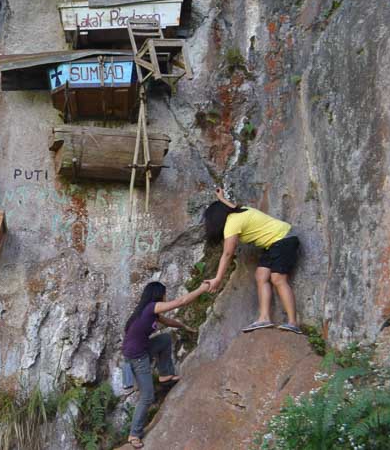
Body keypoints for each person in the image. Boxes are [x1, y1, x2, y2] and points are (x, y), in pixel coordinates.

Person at [202, 188, 302, 334]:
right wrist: (221, 198)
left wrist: (218, 279)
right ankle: (264, 318)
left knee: (278, 279)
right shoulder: (240, 211)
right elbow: (232, 206)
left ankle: (293, 323)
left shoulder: (232, 223)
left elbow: (228, 253)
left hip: (284, 239)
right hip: (274, 243)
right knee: (261, 275)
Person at [123, 281, 209, 448]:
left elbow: (168, 322)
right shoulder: (151, 308)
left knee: (165, 339)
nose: (165, 296)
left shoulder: (148, 311)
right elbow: (181, 302)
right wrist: (201, 288)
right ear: (158, 294)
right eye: (164, 293)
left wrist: (183, 326)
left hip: (142, 349)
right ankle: (134, 434)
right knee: (147, 396)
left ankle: (165, 374)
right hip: (136, 358)